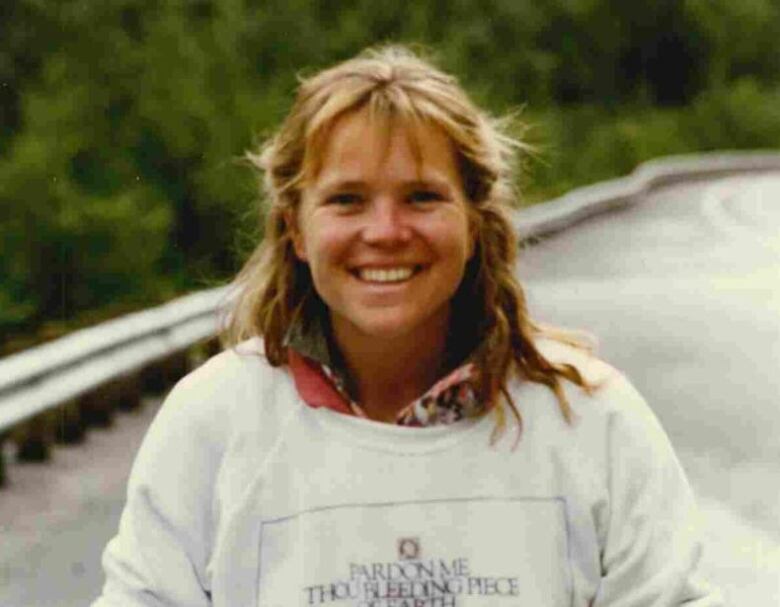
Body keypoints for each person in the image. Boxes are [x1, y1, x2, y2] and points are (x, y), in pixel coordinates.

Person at [93, 45, 722, 606]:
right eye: (347, 200)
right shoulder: (213, 422)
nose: (386, 232)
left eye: (422, 197)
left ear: (474, 221)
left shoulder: (589, 419)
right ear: (296, 228)